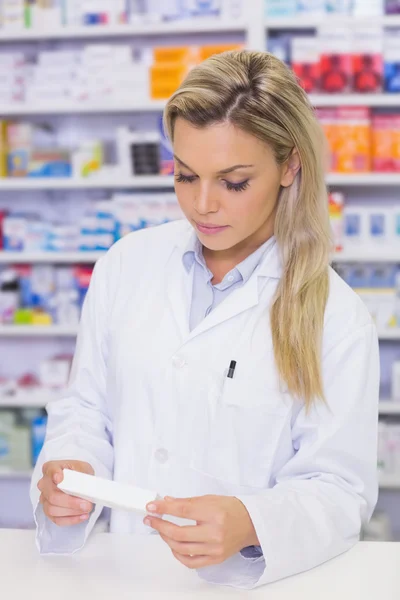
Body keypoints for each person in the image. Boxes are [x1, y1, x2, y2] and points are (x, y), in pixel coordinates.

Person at [31, 50, 380, 590]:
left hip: (239, 584)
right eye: (185, 176)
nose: (202, 205)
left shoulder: (336, 317)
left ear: (290, 166)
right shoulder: (127, 264)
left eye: (234, 182)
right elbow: (86, 406)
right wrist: (71, 467)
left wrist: (250, 521)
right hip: (116, 576)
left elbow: (339, 488)